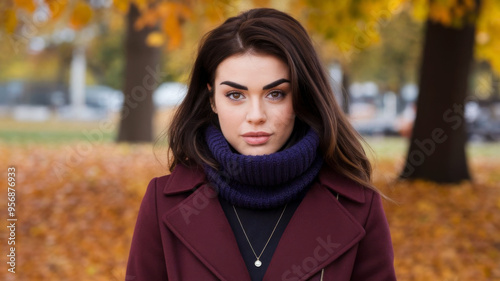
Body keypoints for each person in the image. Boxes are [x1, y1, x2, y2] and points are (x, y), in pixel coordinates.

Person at [126, 8, 396, 281]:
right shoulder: (164, 203)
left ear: (302, 96)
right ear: (211, 99)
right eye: (235, 95)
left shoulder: (357, 206)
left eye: (276, 94)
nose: (256, 116)